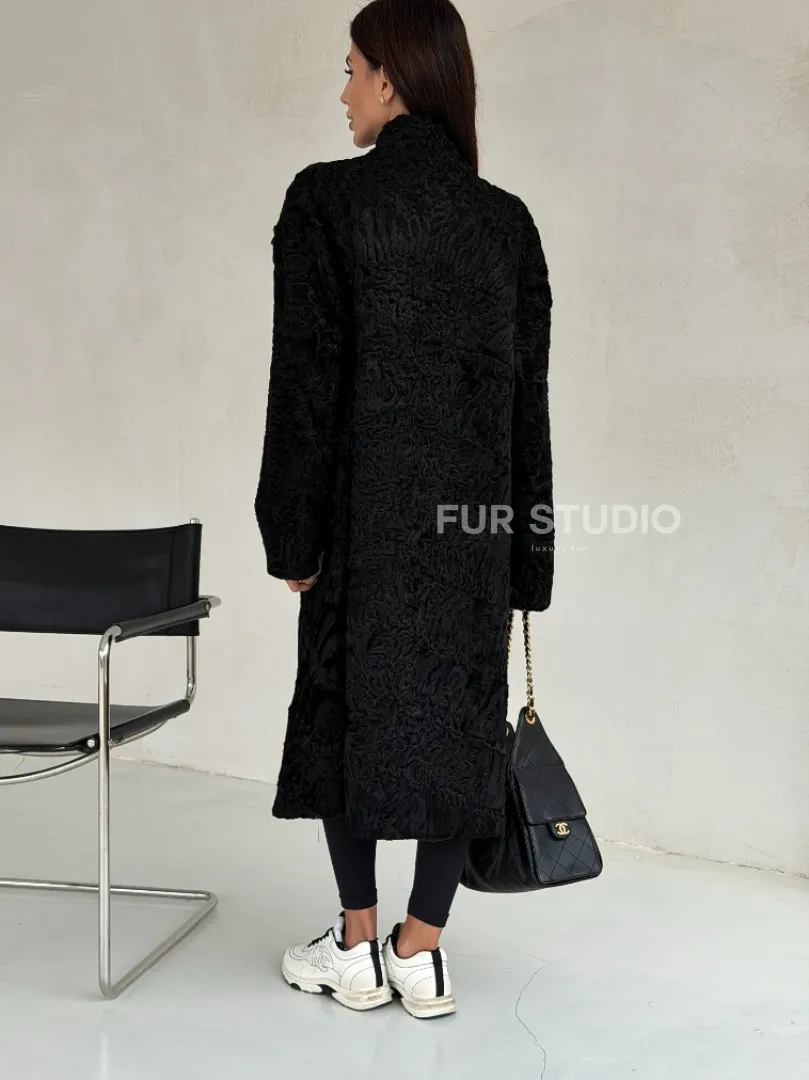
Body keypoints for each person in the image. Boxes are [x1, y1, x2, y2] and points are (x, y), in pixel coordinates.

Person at [254, 0, 553, 1020]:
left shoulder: (326, 202)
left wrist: (291, 535)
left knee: (346, 716)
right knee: (455, 725)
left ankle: (355, 944)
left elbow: (303, 385)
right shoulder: (505, 224)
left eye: (350, 69)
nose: (341, 90)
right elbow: (525, 409)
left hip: (359, 528)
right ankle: (421, 951)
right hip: (473, 539)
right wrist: (527, 559)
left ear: (390, 76)